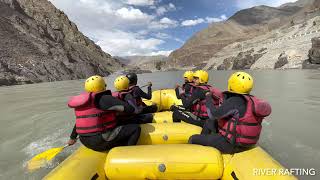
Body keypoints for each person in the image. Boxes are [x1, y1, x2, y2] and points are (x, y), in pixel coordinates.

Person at [188, 72, 272, 154]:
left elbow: (212, 115)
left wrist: (208, 97)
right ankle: (205, 140)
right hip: (248, 144)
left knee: (193, 138)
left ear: (231, 84)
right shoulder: (251, 100)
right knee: (209, 122)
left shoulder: (235, 100)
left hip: (231, 144)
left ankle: (201, 155)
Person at [66, 75, 141, 152]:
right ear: (102, 86)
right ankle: (127, 153)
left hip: (84, 141)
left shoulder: (84, 103)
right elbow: (130, 109)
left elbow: (79, 122)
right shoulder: (105, 98)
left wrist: (72, 138)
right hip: (101, 140)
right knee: (135, 128)